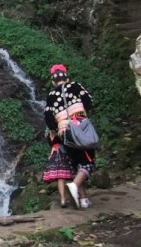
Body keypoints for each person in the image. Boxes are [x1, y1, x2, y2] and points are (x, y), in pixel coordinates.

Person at [44, 64, 94, 209]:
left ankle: (83, 199)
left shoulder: (51, 95)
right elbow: (89, 102)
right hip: (80, 128)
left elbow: (48, 117)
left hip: (64, 133)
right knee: (88, 162)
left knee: (77, 163)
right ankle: (74, 185)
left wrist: (56, 128)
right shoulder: (76, 86)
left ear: (53, 81)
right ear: (67, 77)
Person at [42, 128, 74, 208]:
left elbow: (50, 142)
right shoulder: (61, 128)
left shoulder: (48, 132)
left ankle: (63, 199)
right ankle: (68, 198)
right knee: (63, 177)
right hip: (62, 152)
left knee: (61, 177)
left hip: (54, 153)